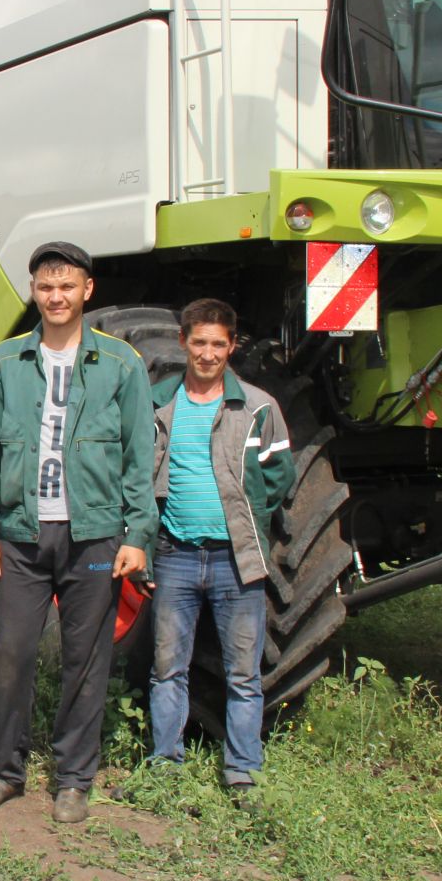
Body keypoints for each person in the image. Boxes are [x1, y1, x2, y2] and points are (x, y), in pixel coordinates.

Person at [0, 241, 155, 824]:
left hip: (93, 534)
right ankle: (4, 772)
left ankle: (74, 779)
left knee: (86, 657)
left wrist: (137, 532)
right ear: (34, 291)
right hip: (21, 534)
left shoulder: (122, 364)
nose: (56, 296)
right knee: (14, 655)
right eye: (46, 286)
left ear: (86, 290)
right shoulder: (4, 362)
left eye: (67, 286)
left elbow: (139, 457)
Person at [146, 298, 295, 795]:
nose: (207, 353)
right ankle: (166, 764)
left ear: (232, 346)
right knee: (168, 668)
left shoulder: (257, 408)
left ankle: (241, 771)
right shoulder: (159, 404)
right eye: (199, 343)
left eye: (217, 344)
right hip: (176, 557)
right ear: (184, 343)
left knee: (243, 674)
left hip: (237, 560)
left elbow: (279, 477)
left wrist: (250, 516)